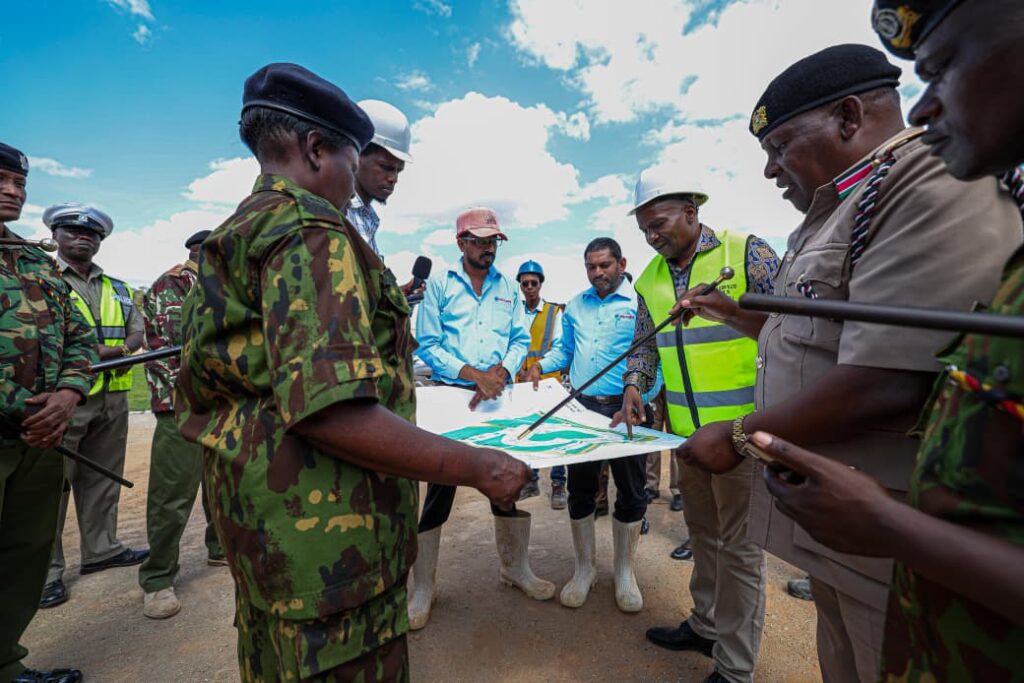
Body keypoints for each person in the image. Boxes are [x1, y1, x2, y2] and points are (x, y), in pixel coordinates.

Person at [677, 43, 1022, 683]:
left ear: (847, 117)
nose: (771, 171)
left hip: (893, 528)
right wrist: (732, 314)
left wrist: (738, 436)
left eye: (780, 147)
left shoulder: (928, 182)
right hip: (842, 521)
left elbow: (888, 379)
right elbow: (816, 333)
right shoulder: (832, 210)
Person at [174, 63, 529, 680]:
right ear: (316, 149)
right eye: (354, 157)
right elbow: (330, 408)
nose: (360, 177)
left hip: (268, 533)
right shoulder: (311, 229)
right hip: (328, 549)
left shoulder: (242, 228)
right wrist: (481, 466)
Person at [614, 167, 779, 683]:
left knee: (741, 554)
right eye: (643, 229)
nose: (651, 235)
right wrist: (636, 384)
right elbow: (645, 345)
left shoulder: (747, 252)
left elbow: (794, 331)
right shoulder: (650, 278)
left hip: (745, 438)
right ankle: (706, 626)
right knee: (705, 538)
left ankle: (734, 669)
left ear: (691, 212)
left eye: (658, 223)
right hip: (688, 439)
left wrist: (730, 313)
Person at [410, 206, 553, 630]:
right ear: (462, 243)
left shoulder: (508, 288)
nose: (488, 248)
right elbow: (428, 344)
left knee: (507, 480)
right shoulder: (439, 285)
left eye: (493, 241)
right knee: (440, 487)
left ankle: (515, 569)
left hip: (497, 398)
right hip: (452, 397)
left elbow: (519, 338)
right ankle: (423, 588)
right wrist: (472, 375)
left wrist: (501, 373)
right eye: (479, 241)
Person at [0, 144, 94, 683]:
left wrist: (67, 395)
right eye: (2, 179)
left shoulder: (35, 260)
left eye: (19, 182)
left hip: (37, 439)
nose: (14, 190)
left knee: (22, 552)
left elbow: (77, 333)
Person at [525, 237, 656, 612]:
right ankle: (585, 570)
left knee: (631, 492)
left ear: (621, 263)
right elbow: (565, 350)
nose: (597, 273)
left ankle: (624, 573)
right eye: (591, 267)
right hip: (582, 408)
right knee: (581, 490)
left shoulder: (640, 301)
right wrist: (542, 364)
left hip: (626, 411)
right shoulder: (577, 305)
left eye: (604, 265)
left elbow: (654, 356)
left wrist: (643, 396)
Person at [40, 203, 149, 609]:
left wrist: (109, 350)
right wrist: (105, 350)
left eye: (92, 234)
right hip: (62, 398)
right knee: (50, 487)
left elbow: (137, 333)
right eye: (73, 231)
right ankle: (45, 573)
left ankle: (101, 550)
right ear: (55, 236)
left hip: (113, 396)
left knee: (102, 477)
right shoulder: (41, 279)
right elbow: (45, 337)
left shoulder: (118, 287)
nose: (84, 237)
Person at [136, 229, 226, 620]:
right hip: (182, 406)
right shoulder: (172, 284)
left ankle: (220, 549)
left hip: (224, 406)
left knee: (223, 485)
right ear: (198, 252)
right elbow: (168, 352)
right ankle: (157, 578)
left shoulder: (227, 285)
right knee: (172, 495)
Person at [346, 99, 423, 298]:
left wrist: (394, 296)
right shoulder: (337, 213)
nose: (394, 178)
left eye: (399, 170)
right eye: (386, 167)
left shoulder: (367, 218)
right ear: (356, 155)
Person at [514, 259, 568, 508]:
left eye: (533, 283)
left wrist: (538, 368)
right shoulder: (515, 313)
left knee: (554, 434)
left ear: (540, 284)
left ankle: (558, 484)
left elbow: (559, 347)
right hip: (520, 383)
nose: (529, 287)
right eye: (525, 283)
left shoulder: (553, 312)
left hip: (547, 382)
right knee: (527, 432)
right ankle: (531, 480)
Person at [643, 390, 684, 512]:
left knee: (677, 438)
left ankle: (679, 490)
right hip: (653, 385)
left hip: (676, 386)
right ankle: (651, 485)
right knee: (652, 437)